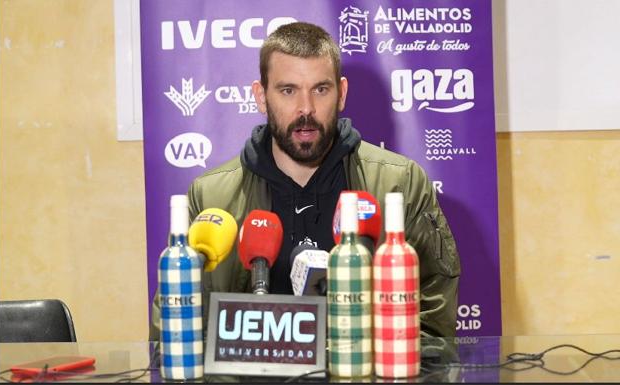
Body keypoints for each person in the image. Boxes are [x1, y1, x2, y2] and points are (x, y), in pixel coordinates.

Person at [150, 21, 460, 340]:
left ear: (341, 94)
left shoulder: (400, 183)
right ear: (260, 96)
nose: (306, 109)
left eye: (320, 89)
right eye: (288, 90)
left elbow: (433, 322)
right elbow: (174, 327)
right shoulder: (211, 196)